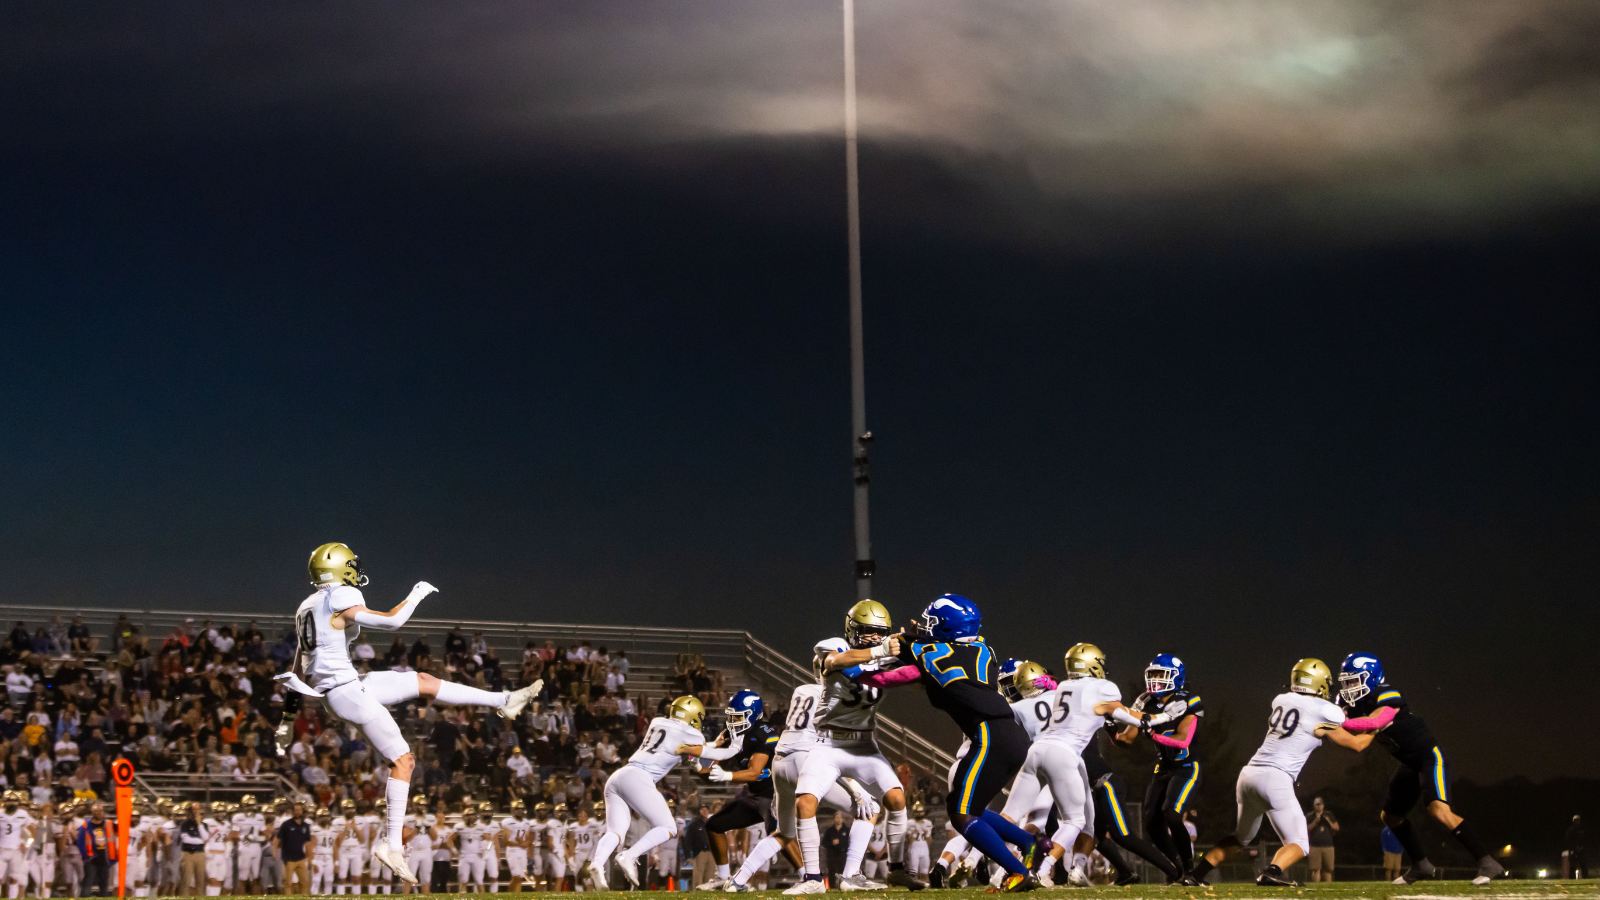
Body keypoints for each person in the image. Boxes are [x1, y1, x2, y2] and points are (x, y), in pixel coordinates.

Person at [279, 542, 543, 884]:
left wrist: (286, 720)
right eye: (351, 564)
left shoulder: (306, 606)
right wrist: (417, 593)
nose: (356, 570)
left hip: (345, 686)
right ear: (339, 567)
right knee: (404, 761)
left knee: (423, 680)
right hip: (346, 691)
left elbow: (297, 668)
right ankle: (391, 844)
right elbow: (393, 622)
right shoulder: (339, 595)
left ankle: (503, 701)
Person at [873, 595, 1043, 892]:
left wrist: (873, 664)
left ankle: (1019, 872)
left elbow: (900, 648)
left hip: (990, 734)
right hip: (1011, 733)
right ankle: (1029, 841)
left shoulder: (931, 650)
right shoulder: (983, 649)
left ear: (948, 628)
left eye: (933, 624)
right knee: (967, 807)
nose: (927, 628)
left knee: (961, 813)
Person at [1190, 659, 1369, 887]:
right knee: (1300, 843)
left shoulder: (1281, 699)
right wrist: (1380, 725)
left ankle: (1195, 875)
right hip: (1276, 778)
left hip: (1249, 775)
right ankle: (1272, 872)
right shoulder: (1324, 710)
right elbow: (1356, 743)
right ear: (1320, 683)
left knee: (1240, 838)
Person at [785, 601, 921, 894]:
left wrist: (918, 647)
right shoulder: (835, 646)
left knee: (896, 800)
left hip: (864, 744)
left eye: (879, 632)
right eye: (868, 631)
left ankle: (892, 871)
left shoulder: (885, 657)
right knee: (804, 803)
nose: (874, 636)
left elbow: (914, 677)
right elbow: (835, 661)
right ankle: (812, 880)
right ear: (853, 629)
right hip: (828, 743)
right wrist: (881, 650)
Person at [1336, 652, 1504, 885]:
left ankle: (1487, 862)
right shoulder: (1348, 703)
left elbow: (1374, 721)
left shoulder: (1387, 694)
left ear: (1372, 677)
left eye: (1354, 681)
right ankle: (1421, 865)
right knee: (1391, 816)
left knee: (1439, 811)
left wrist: (1336, 721)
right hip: (1409, 764)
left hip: (1429, 757)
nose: (1349, 687)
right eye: (1346, 682)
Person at [731, 661, 874, 893]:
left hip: (781, 762)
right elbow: (834, 754)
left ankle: (737, 880)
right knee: (870, 810)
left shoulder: (802, 690)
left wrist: (779, 795)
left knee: (784, 833)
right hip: (805, 762)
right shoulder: (838, 698)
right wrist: (857, 790)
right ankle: (841, 877)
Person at [588, 696, 706, 888]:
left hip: (619, 775)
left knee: (615, 832)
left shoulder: (657, 721)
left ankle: (597, 863)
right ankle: (630, 855)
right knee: (668, 828)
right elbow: (697, 762)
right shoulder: (693, 734)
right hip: (639, 778)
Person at [683, 690, 782, 891]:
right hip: (754, 796)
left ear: (752, 715)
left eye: (737, 716)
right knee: (714, 825)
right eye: (730, 716)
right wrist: (696, 761)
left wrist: (727, 776)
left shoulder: (763, 734)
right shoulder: (732, 735)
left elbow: (754, 773)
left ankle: (809, 877)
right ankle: (722, 877)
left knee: (782, 837)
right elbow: (708, 774)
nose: (731, 721)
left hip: (775, 796)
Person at [75, 802, 118, 897]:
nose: (99, 813)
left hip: (105, 858)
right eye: (96, 811)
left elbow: (122, 831)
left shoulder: (109, 824)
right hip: (91, 859)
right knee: (88, 883)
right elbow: (80, 843)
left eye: (101, 810)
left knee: (104, 884)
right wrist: (85, 857)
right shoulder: (85, 826)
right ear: (92, 812)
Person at [276, 803, 313, 895]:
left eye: (299, 810)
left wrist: (309, 859)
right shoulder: (286, 824)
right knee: (288, 883)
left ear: (303, 811)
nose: (297, 812)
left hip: (301, 858)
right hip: (289, 858)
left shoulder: (306, 826)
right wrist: (276, 853)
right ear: (292, 811)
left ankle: (304, 898)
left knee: (304, 882)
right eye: (296, 810)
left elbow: (308, 844)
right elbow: (277, 840)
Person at [1307, 797, 1339, 881]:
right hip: (1314, 846)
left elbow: (1336, 828)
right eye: (1317, 805)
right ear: (1314, 806)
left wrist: (1328, 821)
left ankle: (1327, 889)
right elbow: (1306, 829)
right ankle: (1316, 889)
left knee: (1328, 870)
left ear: (1323, 805)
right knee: (1315, 869)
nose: (1319, 807)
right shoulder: (1310, 816)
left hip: (1328, 846)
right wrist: (1315, 821)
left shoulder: (1329, 815)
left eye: (1320, 805)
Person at [822, 812, 849, 888]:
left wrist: (840, 842)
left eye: (840, 817)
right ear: (834, 819)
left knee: (843, 872)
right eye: (837, 817)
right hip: (832, 856)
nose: (838, 819)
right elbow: (824, 843)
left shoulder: (847, 830)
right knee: (832, 872)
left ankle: (843, 886)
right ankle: (832, 887)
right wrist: (832, 843)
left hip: (842, 855)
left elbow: (849, 842)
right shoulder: (829, 831)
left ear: (843, 819)